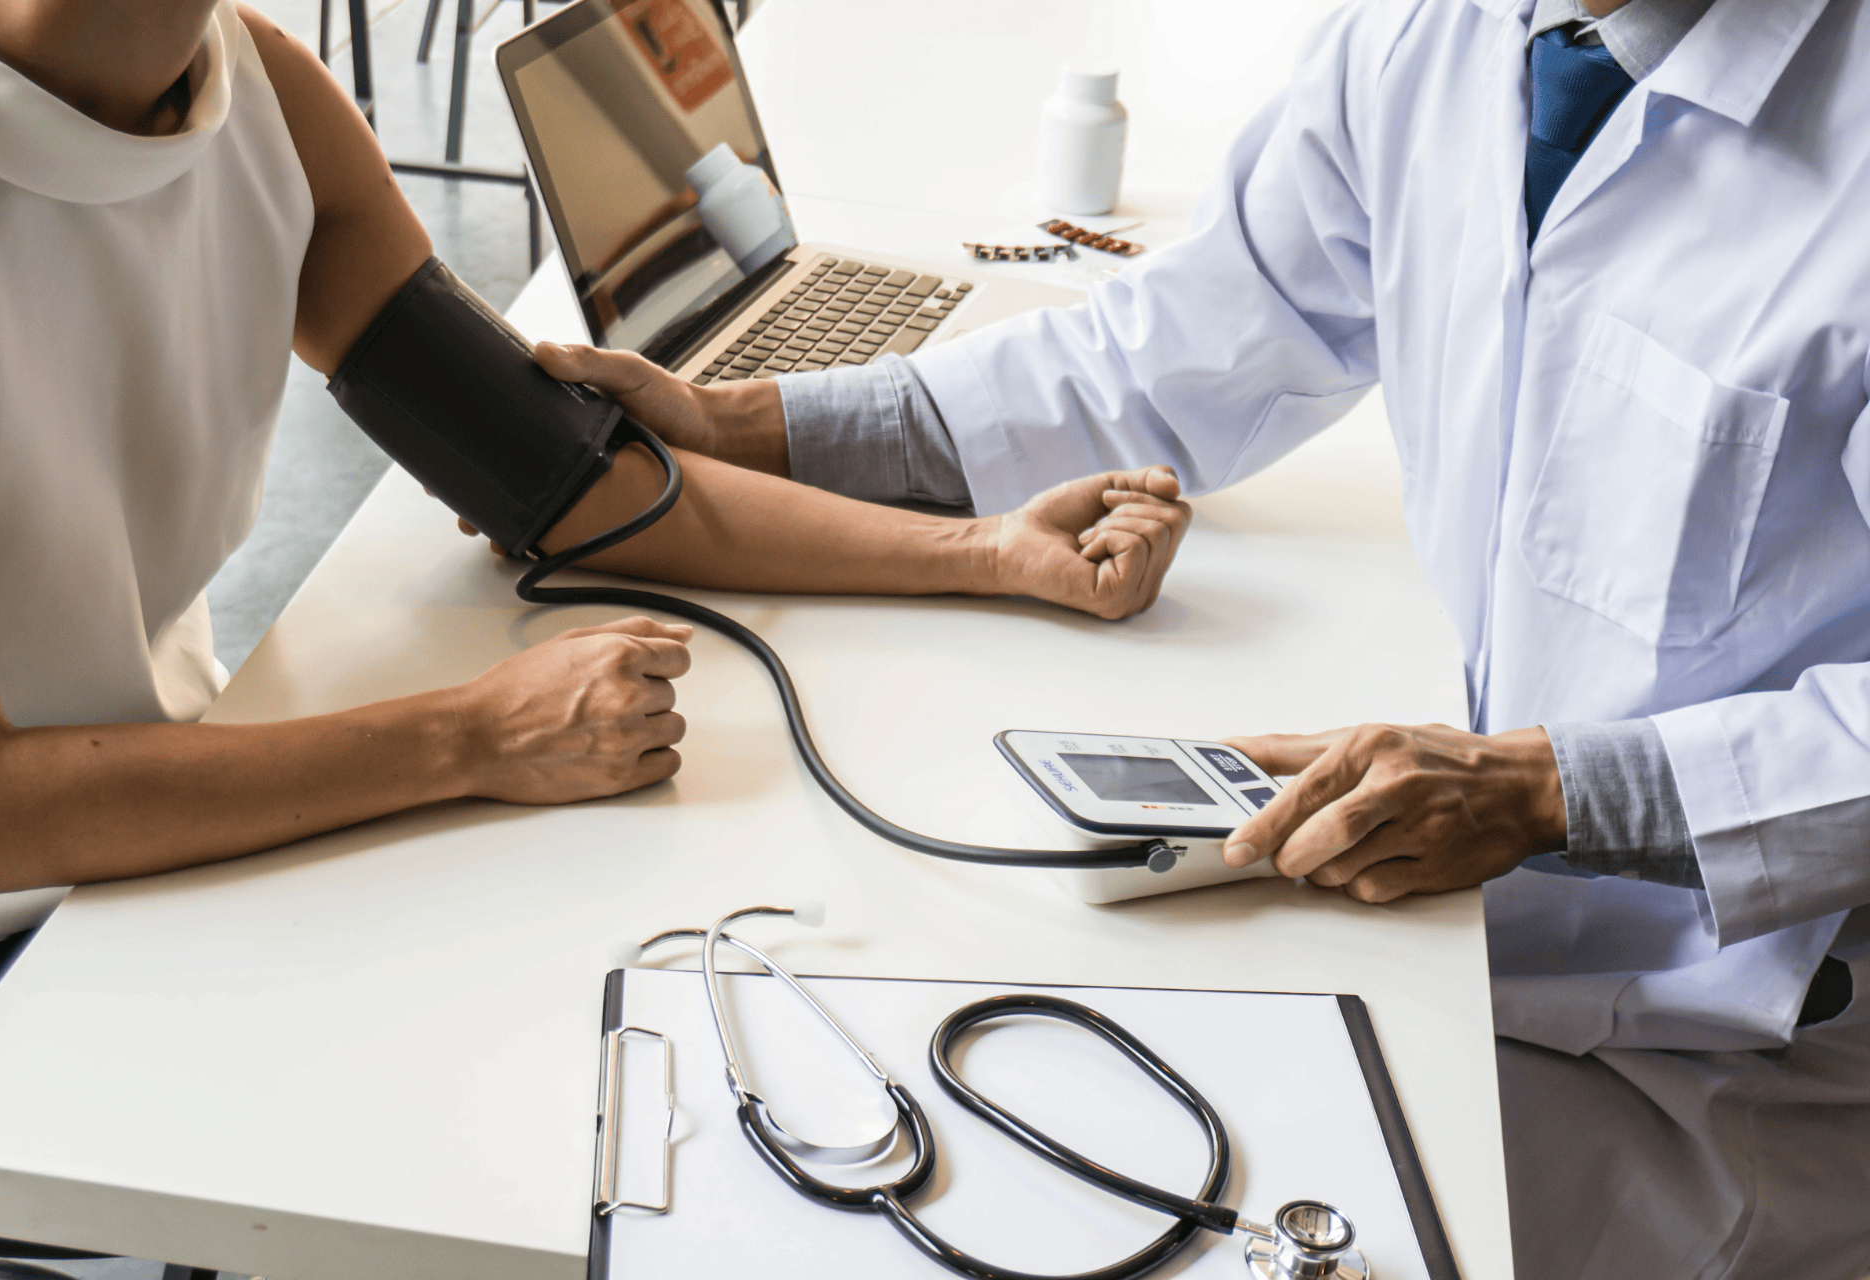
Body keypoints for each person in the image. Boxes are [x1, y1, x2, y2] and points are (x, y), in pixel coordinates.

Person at [544, 0, 1870, 1275]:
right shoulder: (1435, 38)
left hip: (1740, 1051)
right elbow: (1170, 353)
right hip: (1492, 937)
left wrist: (1556, 790)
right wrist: (736, 429)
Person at [0, 0, 1194, 1046]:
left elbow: (570, 483)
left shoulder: (259, 90)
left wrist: (985, 552)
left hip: (167, 826)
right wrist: (469, 735)